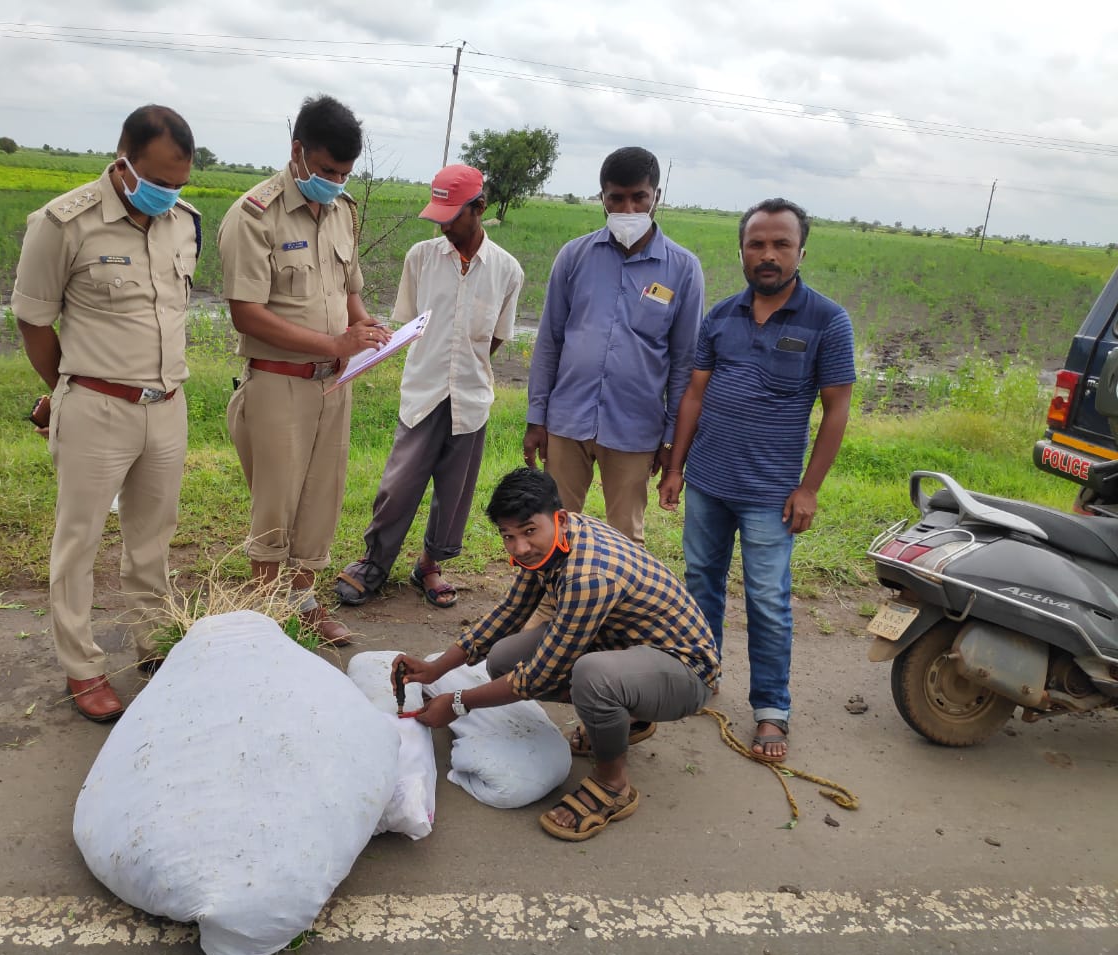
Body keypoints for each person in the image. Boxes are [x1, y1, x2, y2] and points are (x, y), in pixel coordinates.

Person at [394, 468, 719, 842]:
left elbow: (539, 677)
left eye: (528, 531)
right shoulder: (555, 541)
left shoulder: (589, 575)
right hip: (626, 646)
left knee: (592, 677)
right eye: (508, 536)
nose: (519, 547)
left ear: (558, 519)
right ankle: (626, 718)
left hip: (685, 671)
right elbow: (510, 613)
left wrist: (457, 703)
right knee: (504, 659)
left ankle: (613, 785)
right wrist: (435, 670)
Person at [12, 105, 201, 721]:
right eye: (159, 181)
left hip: (166, 407)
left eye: (180, 184)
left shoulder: (183, 223)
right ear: (124, 163)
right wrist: (70, 388)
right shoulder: (63, 223)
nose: (169, 195)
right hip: (96, 407)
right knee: (79, 542)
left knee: (153, 538)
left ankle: (153, 641)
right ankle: (83, 667)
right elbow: (34, 320)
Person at [657, 197, 856, 763]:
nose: (767, 255)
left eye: (780, 244)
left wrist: (809, 487)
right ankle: (700, 673)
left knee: (769, 600)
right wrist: (676, 468)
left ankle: (771, 709)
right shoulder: (720, 316)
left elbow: (835, 410)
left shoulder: (826, 320)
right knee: (701, 583)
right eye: (757, 244)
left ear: (800, 250)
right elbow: (694, 393)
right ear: (742, 249)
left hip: (772, 493)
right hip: (708, 483)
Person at [219, 94, 391, 646]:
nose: (335, 182)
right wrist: (332, 340)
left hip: (332, 385)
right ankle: (267, 612)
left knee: (322, 499)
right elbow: (247, 312)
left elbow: (351, 291)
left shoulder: (342, 211)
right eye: (325, 170)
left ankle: (303, 601)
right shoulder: (254, 215)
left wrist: (367, 332)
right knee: (276, 503)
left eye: (344, 173)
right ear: (297, 152)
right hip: (278, 384)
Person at [333, 165, 524, 609]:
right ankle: (374, 562)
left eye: (451, 216)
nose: (443, 225)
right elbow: (410, 324)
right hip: (423, 391)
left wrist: (465, 367)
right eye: (437, 216)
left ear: (479, 208)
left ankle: (430, 566)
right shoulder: (420, 257)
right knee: (399, 485)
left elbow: (494, 337)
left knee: (454, 491)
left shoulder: (507, 271)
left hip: (471, 397)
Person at [523, 146, 703, 545]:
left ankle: (619, 607)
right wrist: (538, 417)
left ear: (656, 196)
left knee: (625, 538)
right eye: (616, 198)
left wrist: (671, 439)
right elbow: (550, 341)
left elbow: (684, 361)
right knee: (555, 529)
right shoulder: (574, 257)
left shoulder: (683, 269)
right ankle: (551, 605)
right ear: (601, 198)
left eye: (639, 197)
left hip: (635, 428)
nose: (628, 208)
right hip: (567, 420)